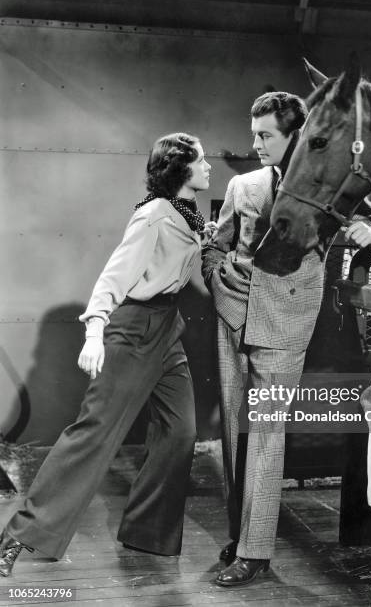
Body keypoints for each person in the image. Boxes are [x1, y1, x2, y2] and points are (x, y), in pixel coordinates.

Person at [201, 91, 371, 587]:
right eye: (254, 134)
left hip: (286, 324)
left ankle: (256, 552)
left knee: (266, 436)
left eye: (266, 135)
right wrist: (214, 274)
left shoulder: (328, 187)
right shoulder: (243, 185)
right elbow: (216, 243)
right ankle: (240, 534)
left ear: (293, 136)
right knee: (234, 437)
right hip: (233, 318)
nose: (256, 144)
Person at [0, 132, 213, 577]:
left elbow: (188, 252)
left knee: (180, 431)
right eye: (202, 161)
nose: (209, 167)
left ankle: (146, 532)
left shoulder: (186, 211)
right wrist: (95, 331)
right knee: (94, 432)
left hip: (167, 328)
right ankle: (19, 533)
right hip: (133, 328)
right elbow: (113, 276)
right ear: (181, 169)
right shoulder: (153, 216)